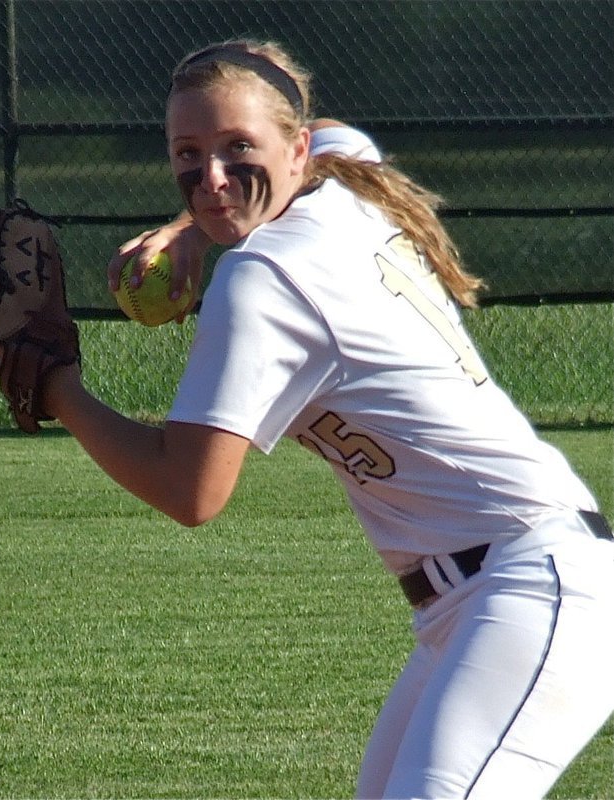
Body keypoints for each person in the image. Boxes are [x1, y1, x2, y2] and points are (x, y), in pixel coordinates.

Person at [43, 39, 614, 799]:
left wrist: (52, 384)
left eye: (236, 147)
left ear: (294, 148)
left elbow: (190, 492)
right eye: (188, 153)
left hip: (532, 587)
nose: (209, 177)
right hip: (489, 596)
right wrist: (189, 226)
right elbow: (335, 132)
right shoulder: (347, 190)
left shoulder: (263, 275)